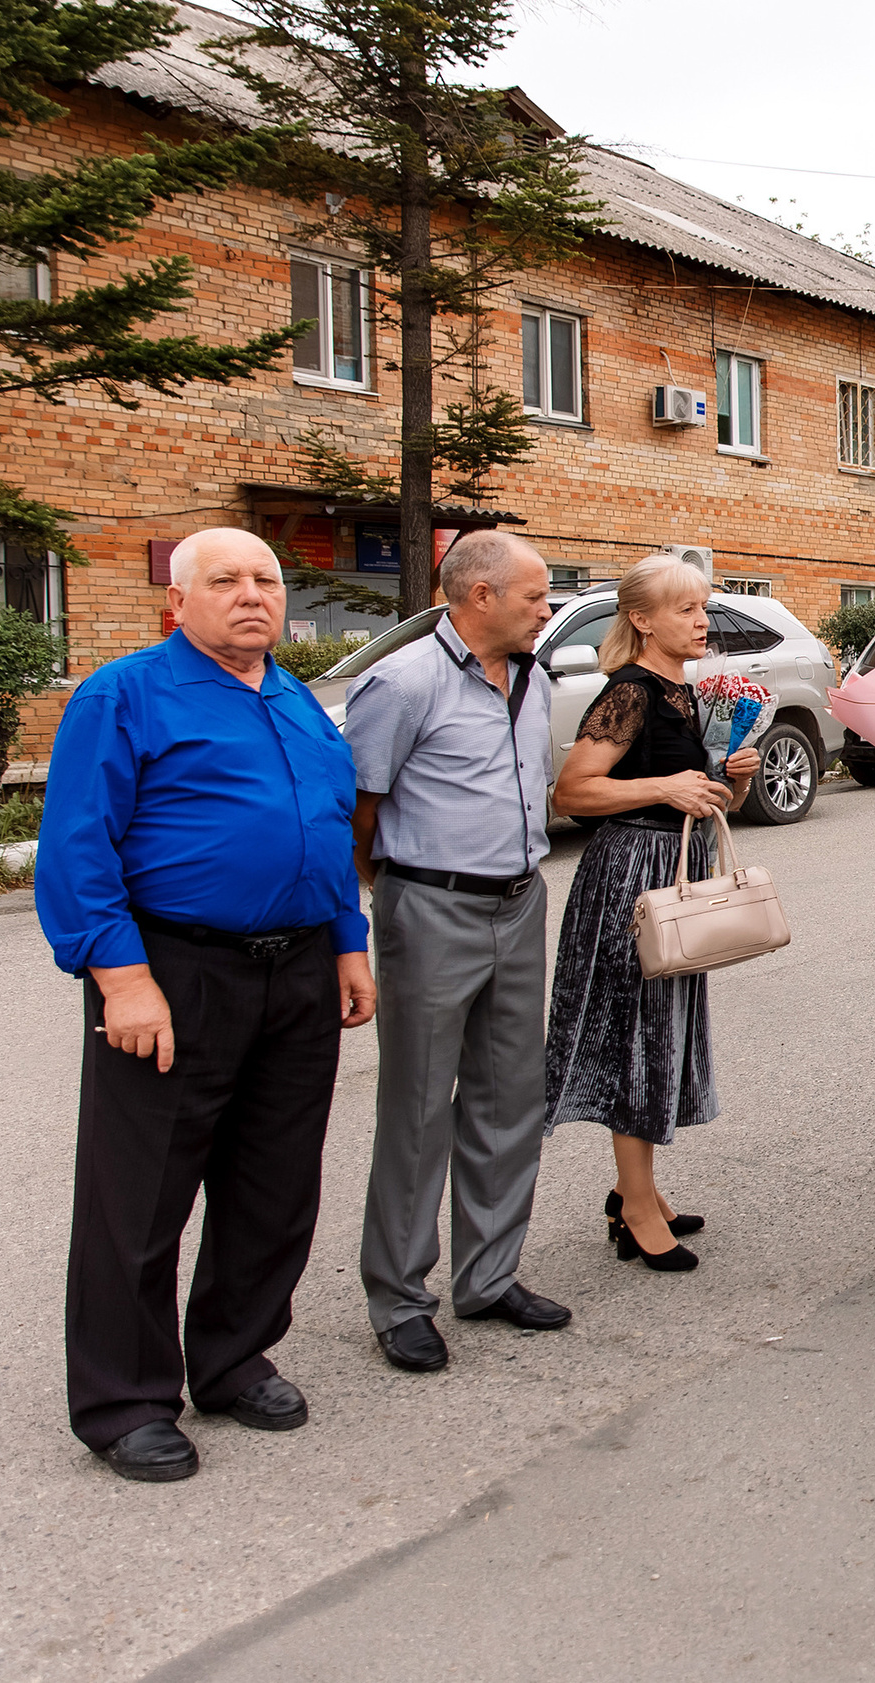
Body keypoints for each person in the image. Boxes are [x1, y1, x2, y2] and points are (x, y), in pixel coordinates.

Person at [38, 528, 376, 1482]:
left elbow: (326, 833)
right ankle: (126, 1400)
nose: (251, 594)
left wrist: (348, 944)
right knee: (137, 1196)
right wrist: (121, 977)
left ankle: (231, 1358)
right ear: (177, 602)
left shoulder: (299, 701)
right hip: (175, 972)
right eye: (224, 580)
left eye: (265, 579)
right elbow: (76, 849)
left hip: (300, 969)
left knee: (273, 1184)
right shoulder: (125, 694)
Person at [343, 530, 571, 1375]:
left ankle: (490, 1275)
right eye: (536, 595)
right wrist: (395, 896)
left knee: (511, 1097)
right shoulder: (401, 682)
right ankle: (401, 1299)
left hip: (520, 901)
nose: (547, 609)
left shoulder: (534, 678)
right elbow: (359, 813)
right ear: (478, 596)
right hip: (431, 905)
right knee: (416, 1106)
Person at [545, 553, 760, 1274]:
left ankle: (634, 1189)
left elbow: (680, 796)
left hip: (667, 867)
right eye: (684, 610)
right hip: (629, 878)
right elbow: (572, 792)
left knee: (658, 1031)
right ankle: (635, 1209)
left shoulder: (679, 690)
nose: (702, 621)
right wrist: (667, 786)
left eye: (703, 608)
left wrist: (721, 780)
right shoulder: (631, 690)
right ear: (641, 620)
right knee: (635, 1036)